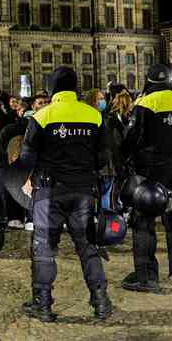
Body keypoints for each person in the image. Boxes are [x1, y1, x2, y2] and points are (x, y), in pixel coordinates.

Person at [19, 66, 112, 321]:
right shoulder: (93, 116)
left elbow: (26, 157)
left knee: (44, 248)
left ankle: (43, 302)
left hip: (49, 192)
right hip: (83, 190)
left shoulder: (41, 116)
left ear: (52, 88)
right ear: (76, 87)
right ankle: (101, 299)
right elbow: (103, 156)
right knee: (87, 245)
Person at [121, 64, 172, 292]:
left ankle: (147, 276)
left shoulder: (146, 103)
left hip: (151, 169)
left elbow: (133, 137)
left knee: (144, 222)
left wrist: (125, 157)